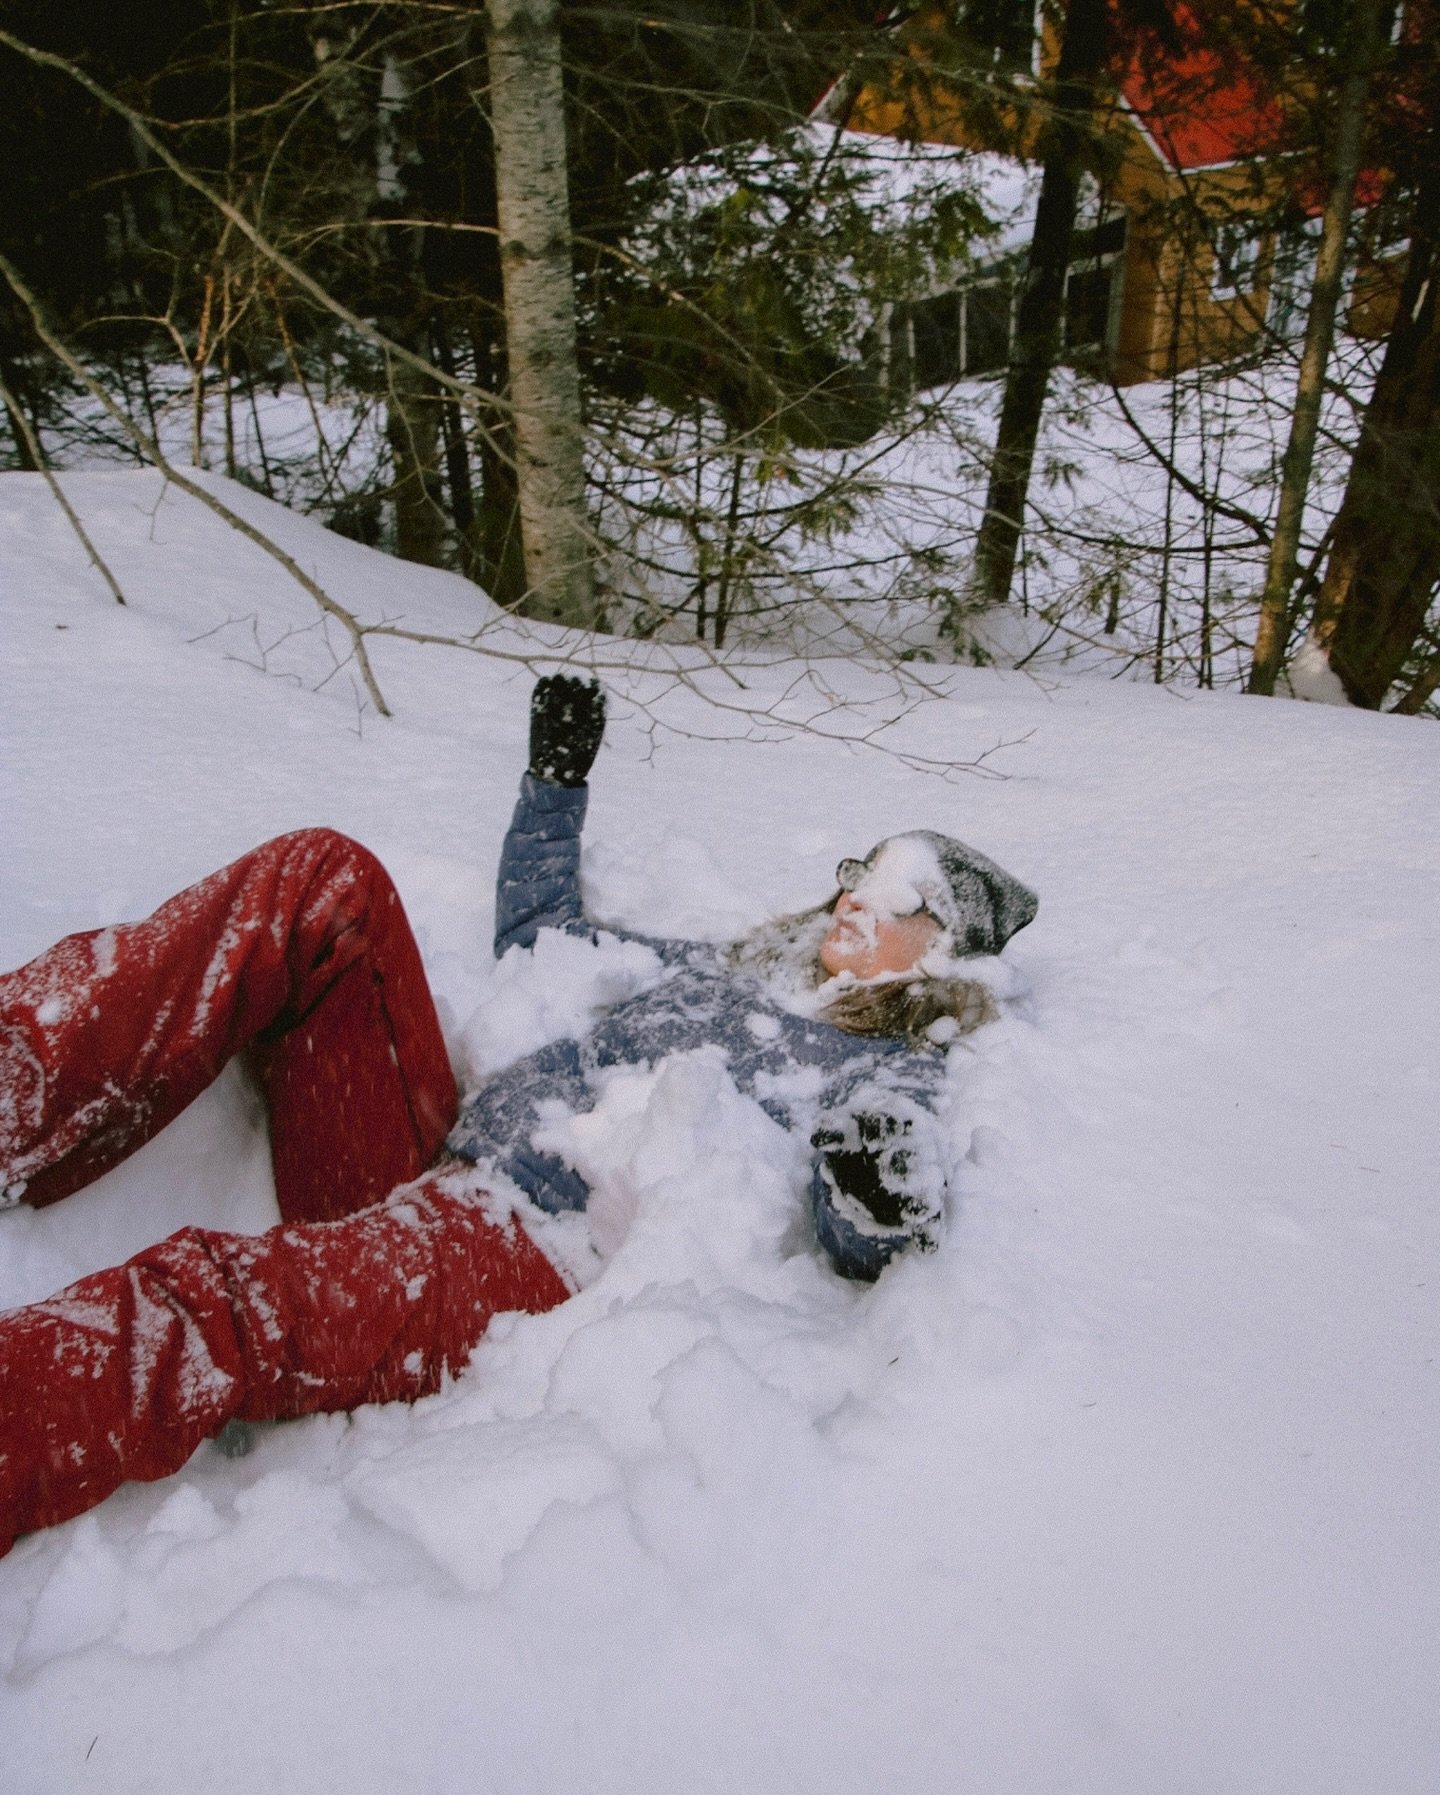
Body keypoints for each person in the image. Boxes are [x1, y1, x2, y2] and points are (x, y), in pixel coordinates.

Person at [0, 677, 1037, 1556]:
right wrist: (557, 784)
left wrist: (880, 1190)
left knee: (213, 1301)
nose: (856, 898)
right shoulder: (726, 972)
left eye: (898, 896)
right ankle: (19, 1084)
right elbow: (549, 934)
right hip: (438, 1161)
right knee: (323, 880)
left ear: (943, 949)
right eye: (861, 871)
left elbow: (869, 1229)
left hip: (513, 1253)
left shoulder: (887, 1070)